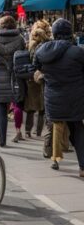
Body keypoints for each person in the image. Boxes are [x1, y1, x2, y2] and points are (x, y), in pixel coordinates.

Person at [33, 18, 84, 176]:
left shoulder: (42, 51)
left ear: (54, 33)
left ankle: (55, 158)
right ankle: (82, 166)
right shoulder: (77, 52)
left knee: (56, 126)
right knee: (77, 129)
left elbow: (37, 67)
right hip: (75, 97)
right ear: (70, 33)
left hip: (53, 97)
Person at [0, 15, 25, 147]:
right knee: (18, 105)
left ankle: (2, 139)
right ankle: (20, 131)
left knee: (1, 110)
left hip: (0, 77)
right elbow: (24, 56)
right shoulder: (20, 39)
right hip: (16, 76)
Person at [24, 21, 51, 141]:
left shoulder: (29, 45)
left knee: (30, 106)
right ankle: (38, 131)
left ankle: (28, 131)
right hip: (43, 77)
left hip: (31, 77)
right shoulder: (48, 45)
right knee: (42, 108)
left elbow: (29, 62)